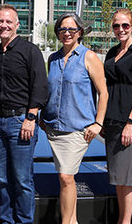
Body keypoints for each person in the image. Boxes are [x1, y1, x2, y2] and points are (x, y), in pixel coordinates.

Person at [40, 12, 108, 224]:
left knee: (66, 177)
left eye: (72, 29)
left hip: (78, 129)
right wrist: (42, 117)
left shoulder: (89, 57)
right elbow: (50, 91)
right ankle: (73, 221)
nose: (67, 33)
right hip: (53, 128)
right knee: (65, 179)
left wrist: (98, 123)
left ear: (80, 32)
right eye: (62, 29)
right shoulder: (53, 58)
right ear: (58, 33)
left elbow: (103, 92)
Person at [0, 4, 49, 224]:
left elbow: (40, 86)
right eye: (0, 21)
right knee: (3, 179)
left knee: (22, 179)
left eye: (8, 21)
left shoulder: (29, 50)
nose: (3, 25)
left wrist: (31, 118)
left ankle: (24, 221)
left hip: (20, 122)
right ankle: (6, 220)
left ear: (17, 25)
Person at [103, 9, 132, 224]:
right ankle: (123, 219)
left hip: (129, 121)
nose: (120, 29)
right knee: (118, 176)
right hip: (112, 120)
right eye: (116, 25)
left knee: (128, 176)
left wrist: (131, 123)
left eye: (124, 25)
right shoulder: (112, 52)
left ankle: (126, 221)